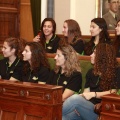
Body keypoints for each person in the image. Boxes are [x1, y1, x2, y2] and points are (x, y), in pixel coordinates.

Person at [62, 43, 120, 120]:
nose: (91, 55)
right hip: (87, 108)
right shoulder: (91, 72)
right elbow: (86, 93)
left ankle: (52, 111)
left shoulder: (116, 71)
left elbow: (113, 92)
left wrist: (94, 94)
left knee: (75, 99)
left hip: (101, 110)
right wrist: (80, 105)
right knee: (64, 117)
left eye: (95, 53)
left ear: (103, 57)